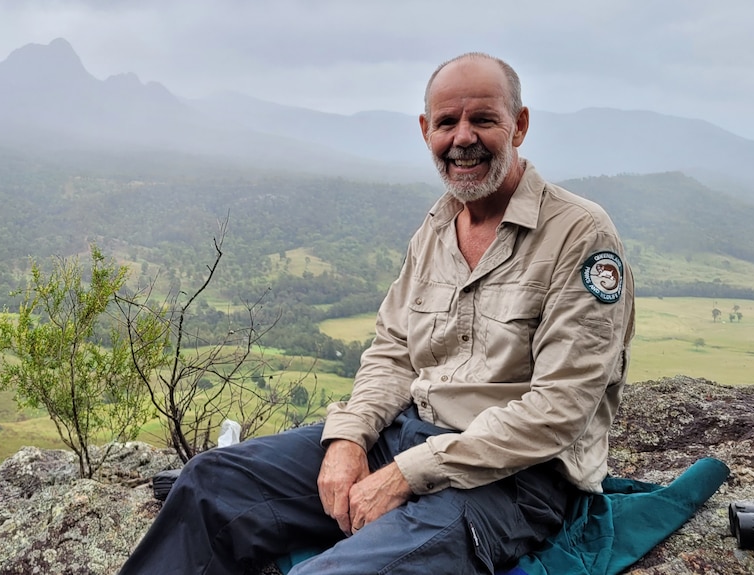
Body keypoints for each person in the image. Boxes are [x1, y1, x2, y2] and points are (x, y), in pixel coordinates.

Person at [119, 52, 635, 575]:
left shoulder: (579, 234)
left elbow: (559, 409)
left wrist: (406, 475)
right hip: (407, 435)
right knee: (210, 483)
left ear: (519, 125)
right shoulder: (436, 229)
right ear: (424, 130)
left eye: (483, 119)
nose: (462, 138)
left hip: (512, 480)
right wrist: (348, 437)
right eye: (446, 122)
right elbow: (392, 352)